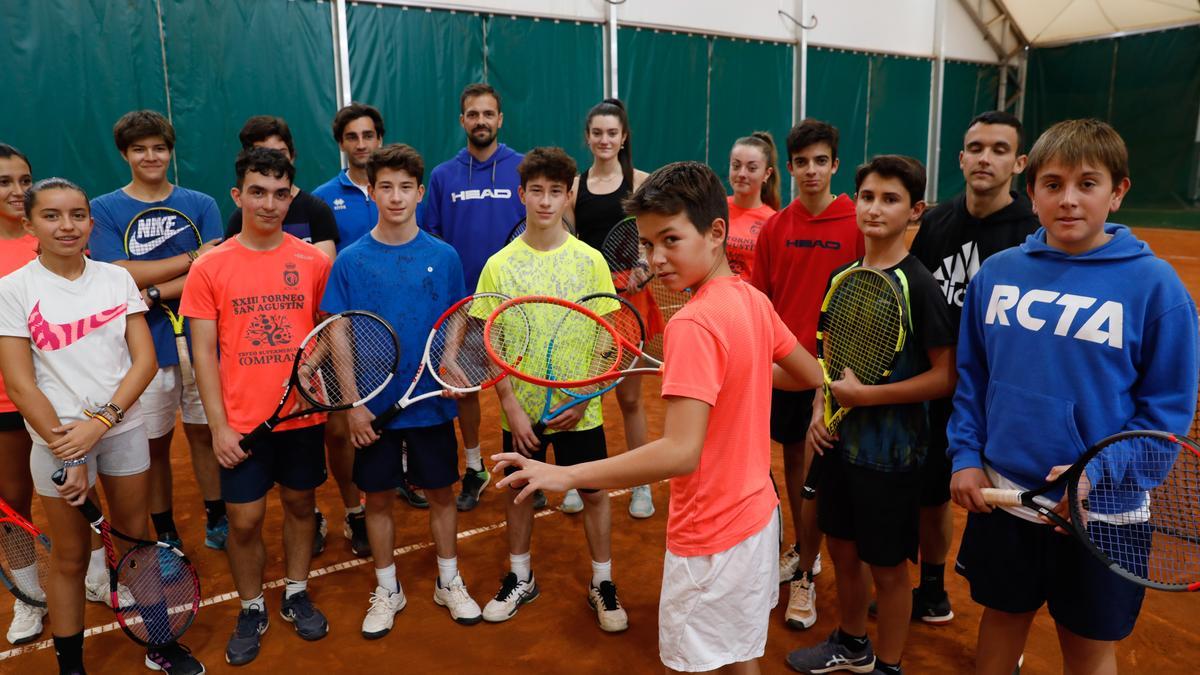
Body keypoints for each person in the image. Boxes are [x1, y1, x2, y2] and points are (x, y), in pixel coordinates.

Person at [491, 161, 825, 673]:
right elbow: (805, 374)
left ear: (717, 233)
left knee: (701, 664)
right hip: (758, 521)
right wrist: (724, 378)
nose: (656, 258)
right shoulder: (752, 300)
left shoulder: (692, 323)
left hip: (710, 536)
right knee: (739, 658)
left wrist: (566, 474)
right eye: (648, 244)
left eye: (670, 239)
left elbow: (680, 452)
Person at [949, 118, 1198, 675]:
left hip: (1102, 514)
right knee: (1000, 622)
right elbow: (973, 381)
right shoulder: (997, 275)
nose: (1068, 200)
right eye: (1052, 184)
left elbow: (1164, 420)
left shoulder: (1158, 289)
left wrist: (1095, 471)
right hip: (1004, 497)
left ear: (1118, 192)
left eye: (1088, 184)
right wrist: (966, 457)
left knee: (1087, 649)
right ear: (1030, 190)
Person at [0, 178, 203, 674]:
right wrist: (69, 450)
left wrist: (102, 422)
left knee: (136, 542)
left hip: (121, 430)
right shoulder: (13, 289)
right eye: (52, 215)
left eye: (77, 215)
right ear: (30, 224)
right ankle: (72, 666)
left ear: (91, 221)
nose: (67, 226)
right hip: (56, 442)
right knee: (70, 557)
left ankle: (160, 643)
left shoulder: (115, 280)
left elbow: (143, 361)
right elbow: (21, 384)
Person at [785, 155, 958, 675]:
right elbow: (831, 358)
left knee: (887, 569)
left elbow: (945, 376)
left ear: (915, 211)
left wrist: (866, 399)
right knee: (842, 551)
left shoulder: (920, 285)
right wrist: (821, 406)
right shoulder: (843, 277)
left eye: (890, 199)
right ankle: (853, 643)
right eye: (867, 196)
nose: (875, 208)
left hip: (892, 455)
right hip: (839, 445)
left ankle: (889, 664)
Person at [321, 143, 484, 636]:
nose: (395, 197)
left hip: (430, 401)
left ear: (419, 193)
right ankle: (388, 588)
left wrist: (450, 359)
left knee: (441, 493)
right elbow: (340, 332)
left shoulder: (444, 255)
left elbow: (455, 315)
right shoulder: (350, 261)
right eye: (385, 187)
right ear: (370, 192)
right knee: (378, 500)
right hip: (372, 408)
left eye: (405, 187)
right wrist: (353, 405)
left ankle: (448, 581)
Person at [182, 148, 332, 666]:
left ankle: (294, 592)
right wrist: (219, 427)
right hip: (242, 423)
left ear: (292, 196)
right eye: (258, 191)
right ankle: (251, 606)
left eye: (280, 193)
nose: (269, 203)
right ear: (238, 195)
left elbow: (326, 329)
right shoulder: (209, 266)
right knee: (243, 522)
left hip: (300, 415)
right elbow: (201, 352)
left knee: (300, 506)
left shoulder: (314, 260)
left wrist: (313, 361)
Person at [472, 147, 626, 631]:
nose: (544, 201)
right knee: (518, 494)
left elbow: (608, 340)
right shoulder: (498, 265)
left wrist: (585, 399)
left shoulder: (592, 262)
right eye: (536, 191)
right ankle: (520, 577)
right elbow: (489, 343)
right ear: (521, 195)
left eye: (554, 191)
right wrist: (511, 407)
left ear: (568, 195)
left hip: (580, 411)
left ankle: (602, 582)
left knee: (595, 494)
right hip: (522, 413)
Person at [903, 110, 1038, 624]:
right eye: (976, 147)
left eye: (999, 149)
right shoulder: (935, 222)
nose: (986, 157)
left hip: (996, 396)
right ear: (960, 158)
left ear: (1019, 163)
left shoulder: (1033, 232)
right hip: (937, 386)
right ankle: (932, 592)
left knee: (1007, 506)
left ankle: (1007, 621)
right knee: (932, 494)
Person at [88, 110, 226, 557]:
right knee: (155, 444)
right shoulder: (104, 209)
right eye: (140, 149)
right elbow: (115, 272)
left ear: (170, 151)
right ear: (125, 154)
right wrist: (191, 257)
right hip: (145, 346)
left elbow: (215, 269)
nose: (151, 156)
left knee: (207, 434)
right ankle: (165, 530)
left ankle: (218, 515)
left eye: (159, 147)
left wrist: (150, 288)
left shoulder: (201, 203)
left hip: (205, 341)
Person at [749, 119, 863, 629]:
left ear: (835, 164)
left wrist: (836, 376)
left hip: (842, 379)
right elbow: (762, 300)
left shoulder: (857, 222)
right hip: (784, 373)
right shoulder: (776, 227)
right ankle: (803, 550)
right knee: (792, 457)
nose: (812, 171)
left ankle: (808, 577)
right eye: (802, 162)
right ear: (789, 168)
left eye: (822, 160)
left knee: (827, 477)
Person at [421, 83, 535, 512]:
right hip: (465, 308)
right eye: (473, 114)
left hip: (519, 309)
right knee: (464, 390)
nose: (481, 121)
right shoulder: (443, 175)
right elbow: (433, 236)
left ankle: (527, 467)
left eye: (489, 113)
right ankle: (474, 467)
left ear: (500, 119)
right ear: (462, 120)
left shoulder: (522, 167)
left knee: (522, 390)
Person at [562, 98, 654, 519]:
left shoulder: (642, 182)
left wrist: (643, 268)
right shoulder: (576, 187)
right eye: (597, 133)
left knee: (630, 399)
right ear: (588, 137)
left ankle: (642, 486)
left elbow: (655, 240)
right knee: (581, 393)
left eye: (611, 133)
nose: (604, 140)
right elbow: (568, 241)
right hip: (588, 304)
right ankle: (577, 478)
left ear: (623, 137)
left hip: (630, 303)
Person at [313, 103, 388, 553]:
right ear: (341, 143)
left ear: (379, 138)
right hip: (344, 328)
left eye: (368, 135)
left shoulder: (394, 188)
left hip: (393, 326)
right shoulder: (325, 197)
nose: (361, 144)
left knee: (392, 414)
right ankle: (353, 508)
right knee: (340, 428)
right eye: (352, 137)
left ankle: (394, 483)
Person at [0, 144, 41, 646]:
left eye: (23, 179)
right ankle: (30, 598)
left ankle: (95, 574)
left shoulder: (50, 236)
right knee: (13, 503)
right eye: (5, 181)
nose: (17, 191)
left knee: (78, 491)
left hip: (59, 396)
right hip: (5, 402)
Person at [225, 116, 339, 259]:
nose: (273, 161)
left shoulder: (316, 210)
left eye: (280, 153)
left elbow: (323, 273)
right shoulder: (240, 218)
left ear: (292, 156)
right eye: (263, 154)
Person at [726, 131, 780, 281]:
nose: (742, 173)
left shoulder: (773, 222)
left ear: (767, 174)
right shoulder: (714, 208)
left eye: (752, 168)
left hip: (750, 302)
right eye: (736, 166)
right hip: (715, 299)